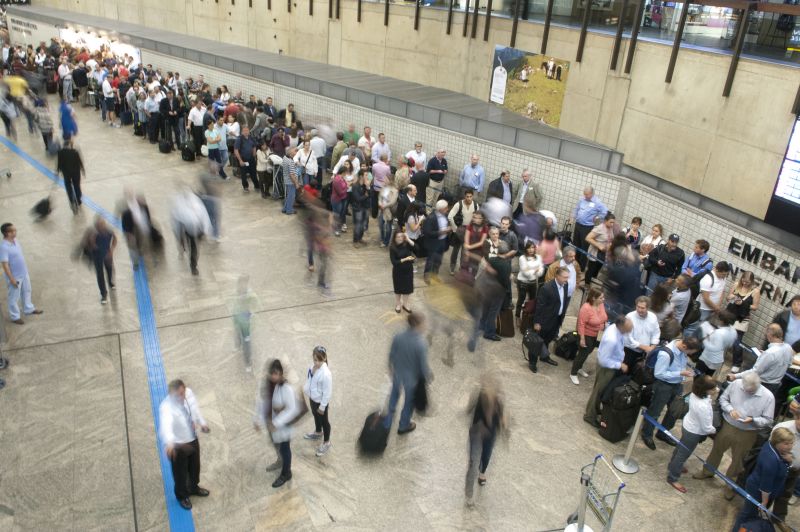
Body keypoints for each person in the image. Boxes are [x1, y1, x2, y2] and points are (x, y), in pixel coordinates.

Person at [694, 373, 775, 489]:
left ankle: (730, 485)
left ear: (758, 385)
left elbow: (768, 420)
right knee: (716, 449)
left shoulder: (768, 397)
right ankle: (707, 472)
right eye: (745, 390)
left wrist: (753, 420)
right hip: (729, 425)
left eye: (751, 392)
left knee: (738, 460)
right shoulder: (736, 384)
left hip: (748, 433)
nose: (747, 393)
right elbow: (723, 399)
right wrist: (730, 409)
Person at [640, 336, 701, 450]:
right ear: (684, 346)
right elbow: (659, 374)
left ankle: (663, 433)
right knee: (655, 412)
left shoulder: (682, 350)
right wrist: (680, 373)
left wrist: (681, 376)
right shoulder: (666, 354)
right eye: (690, 352)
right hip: (663, 386)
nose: (690, 355)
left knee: (675, 411)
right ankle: (647, 434)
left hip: (677, 385)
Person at [158, 379, 210, 510]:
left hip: (192, 438)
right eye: (178, 395)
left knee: (195, 466)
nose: (182, 397)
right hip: (178, 445)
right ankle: (182, 495)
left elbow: (195, 408)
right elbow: (166, 426)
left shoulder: (189, 394)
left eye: (183, 393)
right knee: (180, 472)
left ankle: (193, 487)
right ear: (171, 395)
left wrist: (201, 422)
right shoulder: (166, 407)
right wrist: (169, 443)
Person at [731, 427, 794, 531]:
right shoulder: (772, 461)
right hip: (758, 492)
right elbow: (766, 486)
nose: (790, 447)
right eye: (786, 444)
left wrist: (788, 461)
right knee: (747, 513)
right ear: (777, 442)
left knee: (753, 513)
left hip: (761, 487)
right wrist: (764, 503)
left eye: (791, 443)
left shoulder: (770, 445)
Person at [666, 375, 718, 493]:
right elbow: (706, 427)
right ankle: (673, 477)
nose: (716, 390)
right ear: (705, 390)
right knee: (683, 454)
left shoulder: (695, 394)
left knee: (680, 448)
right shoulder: (703, 406)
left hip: (688, 425)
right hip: (694, 432)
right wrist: (714, 430)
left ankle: (672, 465)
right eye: (713, 389)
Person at [383, 312, 433, 435]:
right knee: (409, 403)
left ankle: (387, 422)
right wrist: (428, 376)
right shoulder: (421, 343)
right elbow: (422, 366)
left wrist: (390, 368)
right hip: (412, 380)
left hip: (397, 374)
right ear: (417, 325)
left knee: (393, 396)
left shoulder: (398, 336)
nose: (426, 326)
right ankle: (403, 426)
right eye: (424, 323)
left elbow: (392, 354)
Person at [254, 359, 299, 488]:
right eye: (272, 373)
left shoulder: (286, 388)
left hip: (282, 425)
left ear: (281, 374)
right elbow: (260, 402)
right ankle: (280, 461)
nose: (274, 376)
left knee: (285, 448)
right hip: (270, 422)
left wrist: (277, 422)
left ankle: (286, 473)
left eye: (277, 374)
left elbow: (292, 409)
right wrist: (257, 419)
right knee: (275, 443)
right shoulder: (266, 384)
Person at [464, 374, 508, 507]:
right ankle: (469, 493)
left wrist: (504, 422)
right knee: (473, 462)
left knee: (487, 456)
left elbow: (502, 420)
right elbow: (468, 410)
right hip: (477, 434)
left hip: (491, 434)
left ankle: (482, 472)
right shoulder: (478, 399)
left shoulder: (498, 403)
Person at [584, 316, 633, 427]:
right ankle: (589, 416)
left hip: (610, 366)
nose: (630, 330)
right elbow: (603, 360)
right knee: (598, 391)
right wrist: (619, 365)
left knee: (599, 390)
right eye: (629, 328)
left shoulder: (616, 329)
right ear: (621, 327)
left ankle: (595, 410)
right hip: (607, 368)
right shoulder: (612, 339)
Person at [729, 323, 794, 400]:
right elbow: (788, 364)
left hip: (763, 385)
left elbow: (755, 372)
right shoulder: (788, 348)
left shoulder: (770, 353)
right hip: (776, 386)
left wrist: (735, 376)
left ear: (770, 334)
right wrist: (765, 357)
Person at [530, 267, 571, 372]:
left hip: (556, 320)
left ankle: (544, 357)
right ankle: (532, 362)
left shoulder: (565, 286)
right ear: (557, 276)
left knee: (548, 340)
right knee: (537, 342)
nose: (567, 280)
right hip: (544, 321)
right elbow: (540, 306)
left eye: (568, 277)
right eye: (565, 277)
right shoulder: (546, 288)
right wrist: (537, 322)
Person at [1, 223, 43, 325]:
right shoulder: (3, 247)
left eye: (15, 230)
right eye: (12, 231)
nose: (15, 233)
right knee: (14, 297)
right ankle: (15, 316)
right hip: (15, 276)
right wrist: (11, 279)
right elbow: (5, 265)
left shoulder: (15, 241)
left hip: (24, 273)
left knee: (27, 291)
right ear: (6, 233)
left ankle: (28, 308)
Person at [170, 187, 212, 276]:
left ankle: (193, 266)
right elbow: (176, 220)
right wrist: (178, 235)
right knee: (190, 246)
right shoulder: (179, 204)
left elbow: (204, 216)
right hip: (186, 229)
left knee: (194, 248)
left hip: (197, 230)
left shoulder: (196, 202)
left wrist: (205, 229)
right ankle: (184, 249)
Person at [727, 270, 761, 373]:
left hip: (742, 318)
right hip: (731, 315)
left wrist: (742, 303)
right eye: (744, 280)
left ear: (751, 281)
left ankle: (737, 363)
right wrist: (732, 297)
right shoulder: (736, 285)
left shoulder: (755, 291)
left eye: (748, 281)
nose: (745, 283)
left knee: (737, 343)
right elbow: (728, 298)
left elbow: (755, 307)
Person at [571, 287, 607, 385]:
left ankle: (579, 368)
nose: (603, 300)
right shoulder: (586, 308)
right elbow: (581, 324)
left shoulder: (601, 305)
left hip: (594, 334)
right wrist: (582, 338)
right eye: (601, 298)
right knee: (583, 354)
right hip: (586, 334)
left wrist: (601, 324)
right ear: (594, 298)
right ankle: (573, 373)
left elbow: (603, 317)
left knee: (589, 351)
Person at [303, 346, 333, 457]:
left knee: (325, 421)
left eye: (319, 360)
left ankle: (327, 442)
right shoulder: (313, 367)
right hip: (313, 398)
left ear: (324, 358)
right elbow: (310, 380)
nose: (316, 362)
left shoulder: (326, 374)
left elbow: (327, 393)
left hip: (320, 402)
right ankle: (318, 432)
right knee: (315, 416)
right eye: (315, 359)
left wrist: (322, 406)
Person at [771, 411, 800, 525]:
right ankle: (756, 513)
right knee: (767, 491)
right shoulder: (783, 428)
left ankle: (778, 518)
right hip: (776, 469)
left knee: (785, 494)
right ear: (796, 416)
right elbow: (770, 451)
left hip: (794, 471)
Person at [571, 186, 608, 269]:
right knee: (576, 245)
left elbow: (605, 212)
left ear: (591, 194)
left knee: (584, 247)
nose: (585, 196)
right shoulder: (581, 199)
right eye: (584, 194)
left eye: (587, 194)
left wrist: (598, 218)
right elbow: (576, 209)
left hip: (587, 227)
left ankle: (581, 267)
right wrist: (572, 217)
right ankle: (574, 263)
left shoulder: (597, 202)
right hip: (578, 225)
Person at [84, 216, 117, 305]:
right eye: (99, 225)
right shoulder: (93, 233)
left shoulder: (109, 231)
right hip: (97, 256)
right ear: (97, 226)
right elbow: (90, 245)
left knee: (109, 269)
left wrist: (111, 250)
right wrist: (93, 243)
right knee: (100, 275)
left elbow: (115, 239)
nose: (102, 227)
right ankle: (103, 294)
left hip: (107, 254)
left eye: (103, 224)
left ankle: (110, 282)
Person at [695, 311, 738, 376]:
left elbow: (711, 346)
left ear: (722, 321)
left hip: (708, 357)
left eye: (718, 319)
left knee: (697, 375)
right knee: (708, 377)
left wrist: (704, 338)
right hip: (719, 359)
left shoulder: (718, 332)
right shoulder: (733, 331)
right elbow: (730, 344)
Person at [447, 189, 479, 274]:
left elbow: (478, 218)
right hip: (460, 229)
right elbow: (450, 217)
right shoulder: (459, 204)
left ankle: (462, 268)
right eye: (467, 196)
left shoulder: (476, 205)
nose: (469, 198)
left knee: (465, 251)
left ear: (473, 196)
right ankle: (452, 267)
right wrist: (455, 229)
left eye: (470, 196)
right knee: (456, 249)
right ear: (464, 196)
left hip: (469, 230)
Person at [421, 200, 451, 284]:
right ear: (441, 209)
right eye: (446, 208)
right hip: (433, 243)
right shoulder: (431, 218)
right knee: (430, 260)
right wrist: (442, 232)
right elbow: (427, 232)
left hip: (442, 242)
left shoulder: (445, 215)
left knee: (439, 260)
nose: (447, 209)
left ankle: (434, 274)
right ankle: (426, 275)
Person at [584, 212, 617, 286]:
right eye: (610, 222)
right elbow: (588, 238)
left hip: (603, 253)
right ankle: (587, 284)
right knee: (591, 269)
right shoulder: (599, 228)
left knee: (597, 269)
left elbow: (610, 238)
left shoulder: (610, 228)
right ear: (605, 221)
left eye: (613, 223)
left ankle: (592, 281)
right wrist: (598, 245)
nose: (612, 224)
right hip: (595, 252)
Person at [515, 241, 544, 320]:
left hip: (533, 282)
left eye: (532, 247)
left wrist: (531, 269)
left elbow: (541, 271)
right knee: (521, 300)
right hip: (522, 283)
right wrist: (535, 270)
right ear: (526, 249)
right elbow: (525, 274)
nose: (531, 250)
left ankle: (528, 317)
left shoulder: (538, 257)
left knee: (532, 301)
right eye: (529, 248)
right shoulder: (522, 258)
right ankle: (517, 316)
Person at [55, 138, 85, 214]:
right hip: (76, 173)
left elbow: (59, 163)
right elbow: (79, 162)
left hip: (66, 173)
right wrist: (83, 170)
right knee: (77, 186)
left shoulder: (60, 152)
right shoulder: (75, 152)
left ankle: (72, 201)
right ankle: (78, 200)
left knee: (68, 187)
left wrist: (57, 172)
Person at [390, 232, 416, 313]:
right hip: (398, 271)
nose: (400, 238)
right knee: (398, 289)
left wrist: (408, 239)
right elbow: (394, 262)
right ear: (394, 238)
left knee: (407, 289)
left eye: (401, 236)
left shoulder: (407, 244)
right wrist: (405, 259)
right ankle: (398, 304)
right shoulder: (392, 248)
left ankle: (405, 304)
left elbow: (417, 248)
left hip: (408, 270)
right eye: (398, 237)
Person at [377, 174, 399, 248]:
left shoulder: (395, 190)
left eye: (386, 179)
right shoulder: (383, 188)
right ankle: (382, 239)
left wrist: (385, 205)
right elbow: (379, 197)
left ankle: (386, 242)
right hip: (381, 209)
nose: (384, 180)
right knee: (381, 225)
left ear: (390, 181)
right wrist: (380, 203)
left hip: (389, 210)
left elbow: (393, 201)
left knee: (388, 227)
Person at [282, 146, 300, 215]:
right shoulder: (291, 162)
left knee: (288, 195)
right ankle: (289, 210)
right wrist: (296, 183)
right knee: (291, 196)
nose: (296, 153)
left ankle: (285, 208)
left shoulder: (285, 158)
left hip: (286, 180)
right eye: (295, 151)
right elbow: (292, 175)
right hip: (291, 182)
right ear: (290, 153)